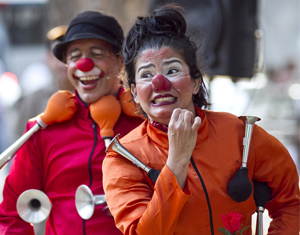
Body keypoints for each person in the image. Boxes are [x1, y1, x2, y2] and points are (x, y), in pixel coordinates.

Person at [102, 4, 300, 235]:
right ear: (134, 92)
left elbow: (290, 202)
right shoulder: (124, 158)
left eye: (172, 70)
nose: (160, 83)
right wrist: (177, 160)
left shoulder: (241, 134)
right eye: (146, 75)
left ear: (196, 83)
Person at [0, 10, 143, 235]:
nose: (84, 64)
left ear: (121, 62)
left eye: (96, 53)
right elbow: (11, 214)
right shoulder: (42, 130)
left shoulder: (145, 124)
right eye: (74, 56)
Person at [12, 25, 74, 139]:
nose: (64, 63)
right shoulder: (35, 99)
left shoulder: (88, 96)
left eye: (70, 56)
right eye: (58, 56)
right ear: (48, 58)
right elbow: (19, 140)